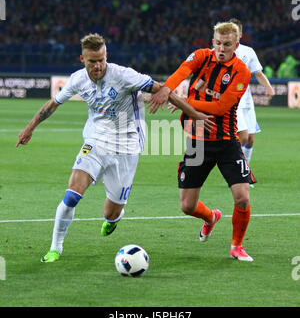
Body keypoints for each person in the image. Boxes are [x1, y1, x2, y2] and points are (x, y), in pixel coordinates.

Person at [16, 33, 213, 263]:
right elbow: (53, 104)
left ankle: (113, 219)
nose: (98, 65)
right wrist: (30, 128)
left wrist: (195, 114)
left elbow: (163, 90)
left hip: (127, 147)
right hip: (95, 141)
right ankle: (55, 248)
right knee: (72, 195)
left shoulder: (124, 75)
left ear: (106, 56)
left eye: (101, 59)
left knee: (111, 212)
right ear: (83, 59)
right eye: (92, 61)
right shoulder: (78, 79)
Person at [147, 22, 255, 261]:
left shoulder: (241, 72)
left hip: (227, 141)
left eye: (227, 44)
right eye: (217, 43)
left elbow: (220, 107)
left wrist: (181, 101)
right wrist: (167, 89)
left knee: (243, 197)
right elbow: (181, 72)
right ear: (212, 41)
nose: (220, 49)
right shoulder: (201, 56)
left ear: (236, 45)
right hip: (197, 140)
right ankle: (210, 217)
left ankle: (236, 245)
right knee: (187, 206)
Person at [229, 19, 275, 174]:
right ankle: (238, 171)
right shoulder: (221, 50)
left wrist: (268, 87)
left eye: (236, 31)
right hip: (232, 101)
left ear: (240, 34)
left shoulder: (248, 52)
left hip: (247, 101)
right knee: (242, 136)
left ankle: (244, 169)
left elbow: (258, 73)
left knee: (250, 139)